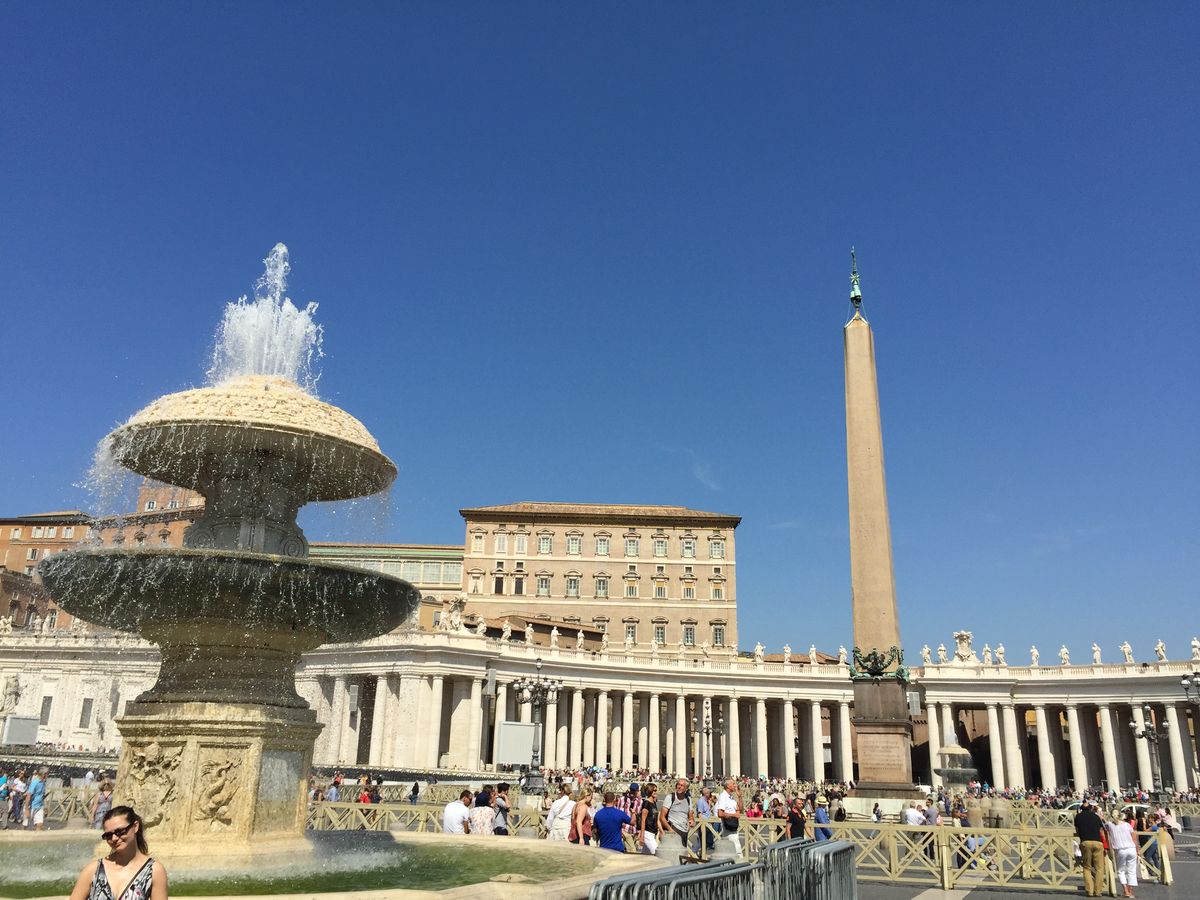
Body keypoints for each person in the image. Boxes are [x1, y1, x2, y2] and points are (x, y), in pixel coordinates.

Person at [68, 806, 167, 900]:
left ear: (135, 826)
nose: (114, 838)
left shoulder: (154, 871)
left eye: (120, 831)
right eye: (108, 835)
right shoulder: (93, 870)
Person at [1074, 799, 1105, 897]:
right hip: (1098, 842)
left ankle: (1090, 891)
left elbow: (1077, 830)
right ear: (1091, 808)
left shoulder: (1078, 817)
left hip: (1085, 842)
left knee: (1087, 867)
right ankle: (1098, 891)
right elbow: (1101, 830)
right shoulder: (1096, 817)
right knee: (1099, 868)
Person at [1106, 809, 1138, 898]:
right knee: (1131, 870)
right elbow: (1134, 837)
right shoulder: (1127, 825)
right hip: (1131, 848)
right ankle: (1130, 891)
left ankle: (1125, 890)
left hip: (1120, 850)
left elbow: (1103, 825)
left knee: (1121, 871)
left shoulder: (1110, 825)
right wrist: (1137, 850)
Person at [659, 778, 694, 844]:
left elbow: (690, 814)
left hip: (684, 830)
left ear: (686, 789)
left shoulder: (688, 799)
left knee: (683, 850)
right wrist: (670, 829)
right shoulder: (670, 797)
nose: (679, 787)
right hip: (673, 828)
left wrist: (692, 820)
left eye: (682, 785)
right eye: (678, 784)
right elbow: (662, 817)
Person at [716, 778, 743, 854]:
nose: (735, 785)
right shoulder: (723, 796)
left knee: (731, 851)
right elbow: (720, 813)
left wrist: (740, 797)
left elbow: (740, 809)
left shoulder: (731, 797)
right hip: (728, 827)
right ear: (728, 786)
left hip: (734, 826)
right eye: (733, 784)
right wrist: (733, 815)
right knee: (737, 850)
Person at [637, 783, 660, 854]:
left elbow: (656, 819)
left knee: (645, 856)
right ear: (650, 791)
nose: (656, 792)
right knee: (657, 853)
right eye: (654, 790)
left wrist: (661, 830)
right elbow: (643, 820)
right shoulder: (646, 803)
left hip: (653, 833)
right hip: (647, 833)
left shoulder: (654, 803)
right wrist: (642, 836)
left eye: (656, 790)